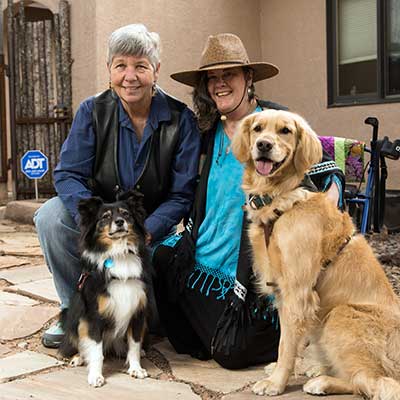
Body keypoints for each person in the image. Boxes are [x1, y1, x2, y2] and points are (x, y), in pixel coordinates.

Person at [152, 33, 344, 369]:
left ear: (249, 78)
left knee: (231, 353)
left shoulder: (276, 122)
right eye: (212, 78)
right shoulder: (206, 131)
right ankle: (208, 328)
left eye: (230, 75)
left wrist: (328, 199)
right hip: (203, 254)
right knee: (163, 262)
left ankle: (291, 333)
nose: (219, 84)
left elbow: (328, 166)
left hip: (252, 264)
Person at [34, 24, 200, 348]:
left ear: (156, 70)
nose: (130, 76)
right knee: (50, 217)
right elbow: (67, 174)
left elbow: (183, 192)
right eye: (121, 65)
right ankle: (75, 309)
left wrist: (146, 228)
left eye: (141, 66)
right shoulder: (92, 111)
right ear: (109, 70)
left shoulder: (182, 120)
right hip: (101, 217)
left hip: (152, 227)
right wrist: (97, 220)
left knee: (153, 323)